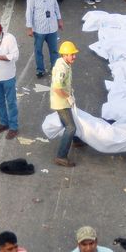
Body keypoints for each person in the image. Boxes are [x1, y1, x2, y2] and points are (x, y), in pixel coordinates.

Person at [51, 40, 81, 168]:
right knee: (70, 127)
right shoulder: (62, 68)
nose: (74, 56)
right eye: (71, 54)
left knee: (70, 122)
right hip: (61, 103)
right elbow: (57, 88)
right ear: (64, 55)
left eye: (74, 54)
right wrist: (68, 97)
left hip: (63, 100)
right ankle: (61, 156)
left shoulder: (64, 63)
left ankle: (77, 140)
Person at [25, 0, 61, 79]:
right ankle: (40, 70)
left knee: (54, 50)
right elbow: (29, 12)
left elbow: (56, 6)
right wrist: (29, 27)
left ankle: (55, 68)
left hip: (52, 27)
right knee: (38, 51)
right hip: (39, 29)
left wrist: (59, 19)